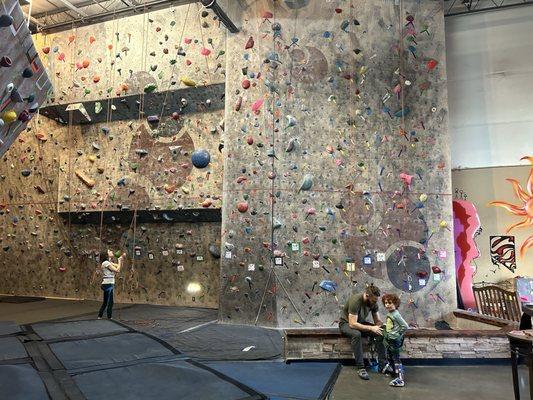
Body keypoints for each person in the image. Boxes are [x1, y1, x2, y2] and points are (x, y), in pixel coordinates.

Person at [339, 284, 386, 380]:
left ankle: (383, 365)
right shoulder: (356, 301)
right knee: (356, 334)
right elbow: (352, 324)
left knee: (381, 332)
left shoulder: (373, 302)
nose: (374, 303)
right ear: (367, 295)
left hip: (359, 323)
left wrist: (382, 325)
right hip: (346, 324)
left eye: (376, 301)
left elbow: (377, 321)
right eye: (373, 301)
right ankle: (361, 368)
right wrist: (371, 328)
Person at [380, 293, 409, 387]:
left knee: (396, 359)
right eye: (385, 303)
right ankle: (394, 373)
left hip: (394, 340)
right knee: (391, 356)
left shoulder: (396, 314)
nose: (387, 305)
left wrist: (397, 334)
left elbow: (405, 326)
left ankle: (400, 379)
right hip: (390, 339)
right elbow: (392, 325)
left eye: (389, 303)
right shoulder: (391, 313)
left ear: (396, 304)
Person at [97, 249, 125, 319]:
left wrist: (120, 259)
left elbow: (118, 266)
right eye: (109, 251)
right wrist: (119, 260)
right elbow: (117, 270)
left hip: (108, 284)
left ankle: (100, 316)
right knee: (110, 302)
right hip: (108, 284)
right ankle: (109, 317)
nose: (111, 251)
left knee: (106, 302)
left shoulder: (109, 262)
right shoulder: (106, 263)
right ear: (106, 254)